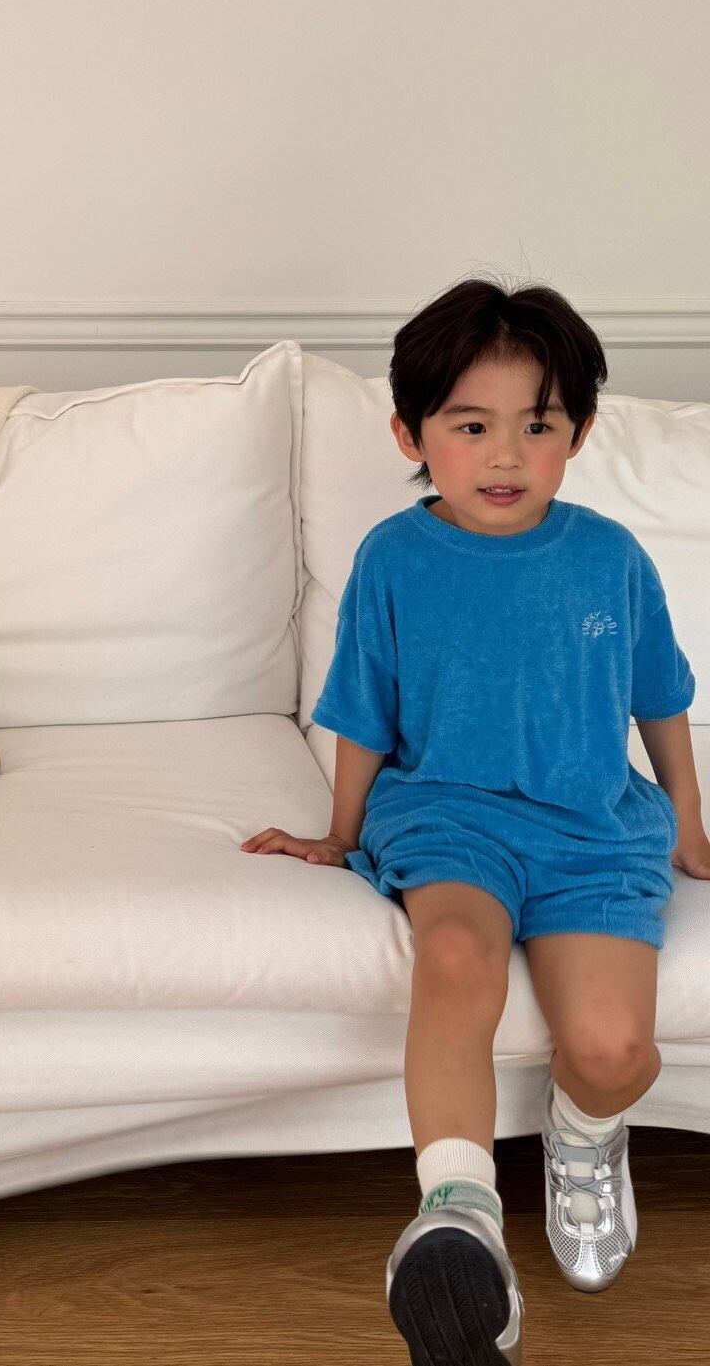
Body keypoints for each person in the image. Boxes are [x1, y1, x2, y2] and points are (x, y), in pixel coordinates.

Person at [240, 274, 709, 1363]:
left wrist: (688, 817)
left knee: (614, 1050)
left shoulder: (608, 556)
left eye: (536, 425)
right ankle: (459, 1216)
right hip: (446, 815)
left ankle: (582, 1133)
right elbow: (363, 711)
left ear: (576, 433)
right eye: (470, 425)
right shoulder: (393, 558)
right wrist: (338, 831)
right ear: (412, 434)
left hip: (591, 828)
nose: (505, 454)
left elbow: (660, 697)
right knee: (453, 955)